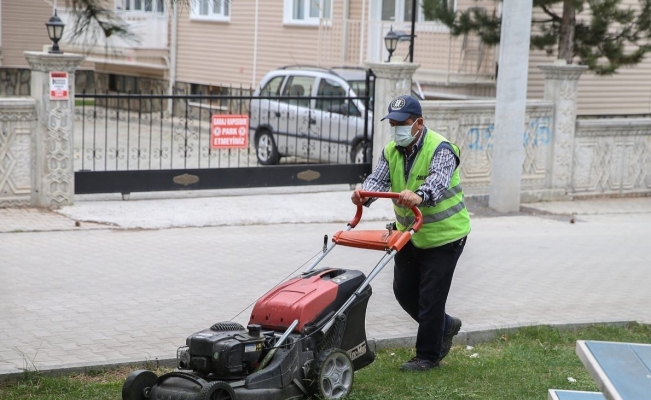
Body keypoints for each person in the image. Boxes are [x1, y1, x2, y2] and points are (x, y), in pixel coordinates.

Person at [351, 95, 471, 371]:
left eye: (401, 123)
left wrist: (420, 196)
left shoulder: (441, 148)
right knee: (404, 292)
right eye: (392, 124)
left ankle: (427, 357)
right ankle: (446, 325)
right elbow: (377, 179)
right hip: (409, 234)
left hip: (445, 237)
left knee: (431, 298)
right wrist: (362, 196)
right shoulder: (392, 150)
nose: (396, 129)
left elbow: (438, 182)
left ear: (419, 123)